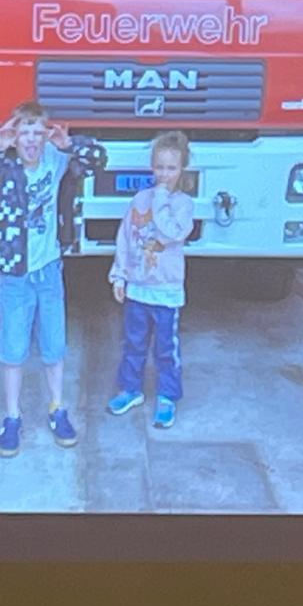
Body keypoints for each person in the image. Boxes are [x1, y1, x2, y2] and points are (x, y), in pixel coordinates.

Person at [0, 100, 106, 458]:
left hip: (49, 270)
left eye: (37, 132)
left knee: (54, 345)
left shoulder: (57, 160)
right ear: (14, 137)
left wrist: (69, 143)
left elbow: (98, 159)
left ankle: (57, 408)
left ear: (45, 135)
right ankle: (12, 417)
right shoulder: (3, 168)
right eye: (23, 132)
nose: (30, 139)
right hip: (14, 273)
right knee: (13, 348)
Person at [106, 131, 196, 430]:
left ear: (182, 169)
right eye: (159, 167)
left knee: (166, 349)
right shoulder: (139, 199)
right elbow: (125, 238)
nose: (164, 174)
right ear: (152, 166)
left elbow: (171, 233)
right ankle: (130, 389)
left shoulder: (183, 204)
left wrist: (160, 198)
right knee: (133, 343)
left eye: (171, 168)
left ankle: (167, 396)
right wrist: (119, 275)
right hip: (138, 289)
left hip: (166, 291)